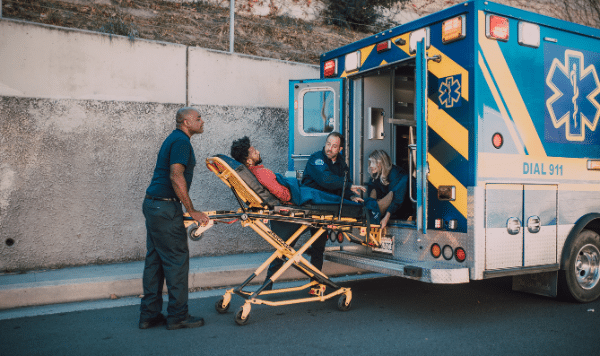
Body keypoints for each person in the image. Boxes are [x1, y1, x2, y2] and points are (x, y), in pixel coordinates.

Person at [140, 107, 209, 330]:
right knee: (176, 260)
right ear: (186, 122)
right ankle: (178, 316)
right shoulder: (181, 142)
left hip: (153, 205)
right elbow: (176, 175)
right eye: (198, 118)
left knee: (155, 261)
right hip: (165, 208)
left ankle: (149, 315)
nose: (202, 121)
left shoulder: (174, 138)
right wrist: (191, 211)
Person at [301, 132, 365, 293]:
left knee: (318, 247)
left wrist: (352, 196)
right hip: (312, 205)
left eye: (334, 146)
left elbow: (342, 187)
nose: (329, 148)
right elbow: (326, 179)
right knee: (289, 245)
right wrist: (348, 186)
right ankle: (270, 280)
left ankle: (315, 285)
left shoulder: (342, 165)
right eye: (328, 144)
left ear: (340, 149)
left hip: (328, 208)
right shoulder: (317, 159)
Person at [230, 136, 297, 291]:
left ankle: (268, 283)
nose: (258, 152)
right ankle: (317, 277)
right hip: (290, 213)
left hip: (280, 216)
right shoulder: (262, 173)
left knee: (284, 249)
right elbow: (285, 195)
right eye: (254, 151)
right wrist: (294, 189)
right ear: (248, 161)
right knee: (291, 246)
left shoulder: (253, 174)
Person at [354, 150, 409, 231]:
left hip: (403, 210)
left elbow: (396, 199)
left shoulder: (396, 174)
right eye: (370, 162)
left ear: (381, 163)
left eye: (373, 162)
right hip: (390, 209)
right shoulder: (376, 175)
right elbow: (372, 192)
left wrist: (386, 218)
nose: (371, 166)